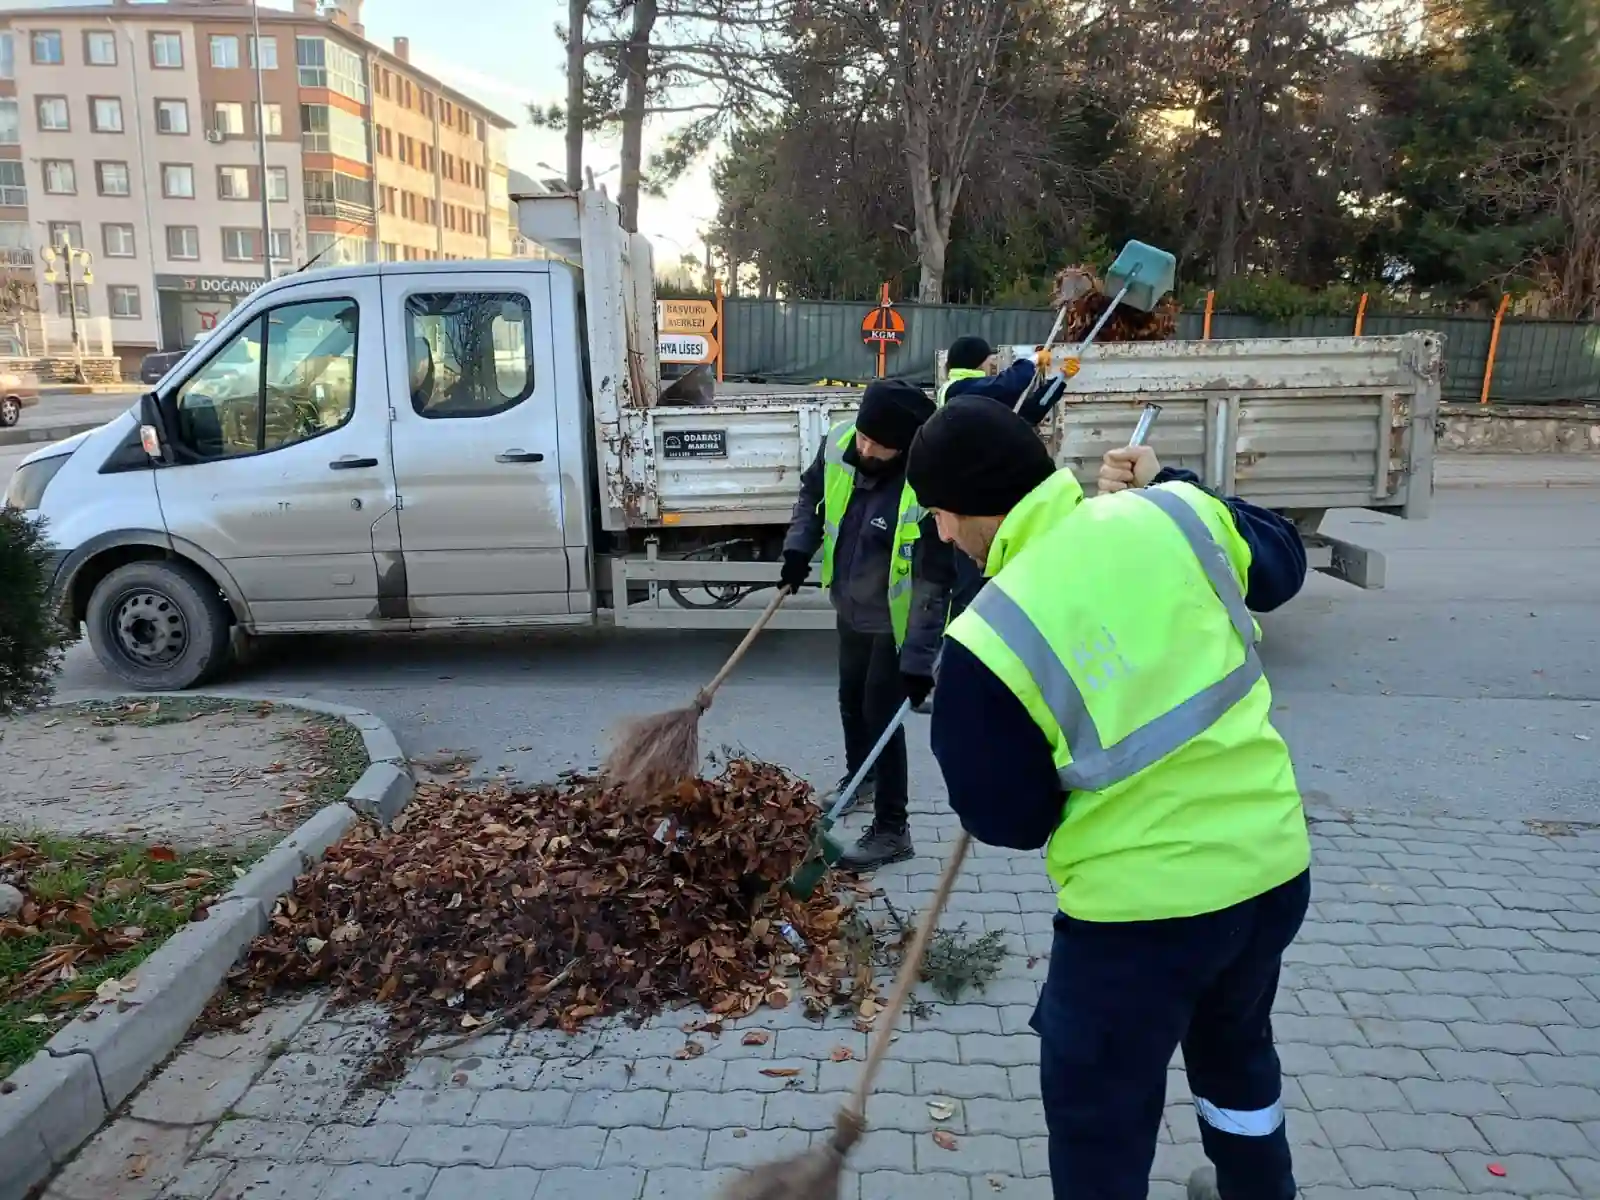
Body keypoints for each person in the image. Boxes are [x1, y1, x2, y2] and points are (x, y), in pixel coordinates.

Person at [906, 396, 1312, 1200]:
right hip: (1271, 875)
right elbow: (1283, 567)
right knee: (1237, 1054)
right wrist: (1174, 482)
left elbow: (1009, 821)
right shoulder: (1177, 512)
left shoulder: (990, 636)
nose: (944, 535)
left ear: (977, 509)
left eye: (943, 516)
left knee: (1101, 1115)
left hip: (1138, 926)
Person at [780, 380, 954, 871]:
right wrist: (798, 548)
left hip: (894, 627)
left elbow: (932, 583)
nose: (865, 448)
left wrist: (920, 662)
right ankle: (862, 778)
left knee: (881, 712)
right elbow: (811, 496)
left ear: (905, 445)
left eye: (880, 443)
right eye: (863, 435)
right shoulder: (840, 444)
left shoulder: (926, 489)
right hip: (850, 607)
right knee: (850, 702)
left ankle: (893, 829)